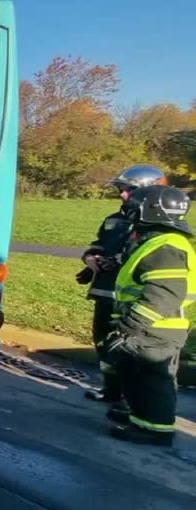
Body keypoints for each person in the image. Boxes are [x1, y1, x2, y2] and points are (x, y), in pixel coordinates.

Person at [103, 184, 196, 447]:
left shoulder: (166, 247)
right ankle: (140, 418)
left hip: (156, 328)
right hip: (153, 327)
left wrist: (129, 326)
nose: (130, 212)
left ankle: (156, 430)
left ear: (151, 212)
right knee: (139, 377)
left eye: (135, 208)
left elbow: (163, 295)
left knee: (154, 380)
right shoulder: (159, 240)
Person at [78, 165, 168, 403]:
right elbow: (100, 243)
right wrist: (91, 258)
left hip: (131, 301)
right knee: (104, 343)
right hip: (104, 293)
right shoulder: (113, 219)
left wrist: (117, 261)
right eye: (121, 190)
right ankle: (111, 390)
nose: (123, 195)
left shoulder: (155, 226)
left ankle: (132, 400)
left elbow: (145, 258)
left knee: (128, 349)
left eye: (129, 190)